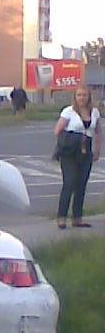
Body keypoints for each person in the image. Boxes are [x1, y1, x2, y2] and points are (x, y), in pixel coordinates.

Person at [53, 86, 102, 229]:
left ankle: (77, 218)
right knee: (69, 183)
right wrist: (74, 137)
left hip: (86, 150)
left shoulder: (94, 112)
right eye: (79, 95)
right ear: (75, 97)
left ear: (89, 97)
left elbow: (98, 132)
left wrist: (97, 150)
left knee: (81, 184)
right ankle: (61, 217)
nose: (82, 98)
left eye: (84, 95)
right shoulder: (68, 111)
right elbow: (57, 130)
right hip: (70, 151)